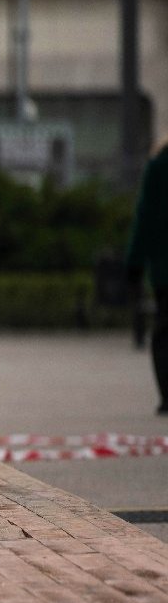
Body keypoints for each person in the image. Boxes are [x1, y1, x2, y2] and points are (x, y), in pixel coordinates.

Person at [126, 139, 168, 414]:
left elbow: (145, 218)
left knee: (164, 331)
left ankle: (167, 395)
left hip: (165, 269)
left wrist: (135, 262)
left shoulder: (158, 168)